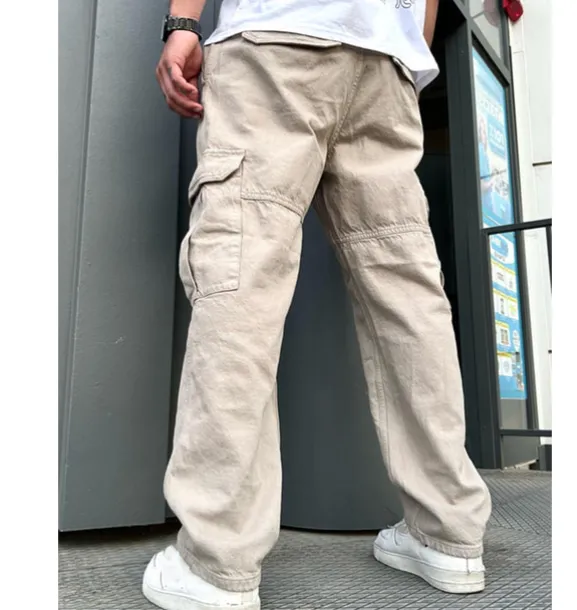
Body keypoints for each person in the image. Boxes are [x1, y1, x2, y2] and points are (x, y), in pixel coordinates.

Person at [143, 1, 492, 609]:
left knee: (241, 279)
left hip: (278, 36)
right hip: (386, 60)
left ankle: (215, 562)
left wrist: (182, 27)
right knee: (408, 299)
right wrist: (403, 49)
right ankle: (449, 533)